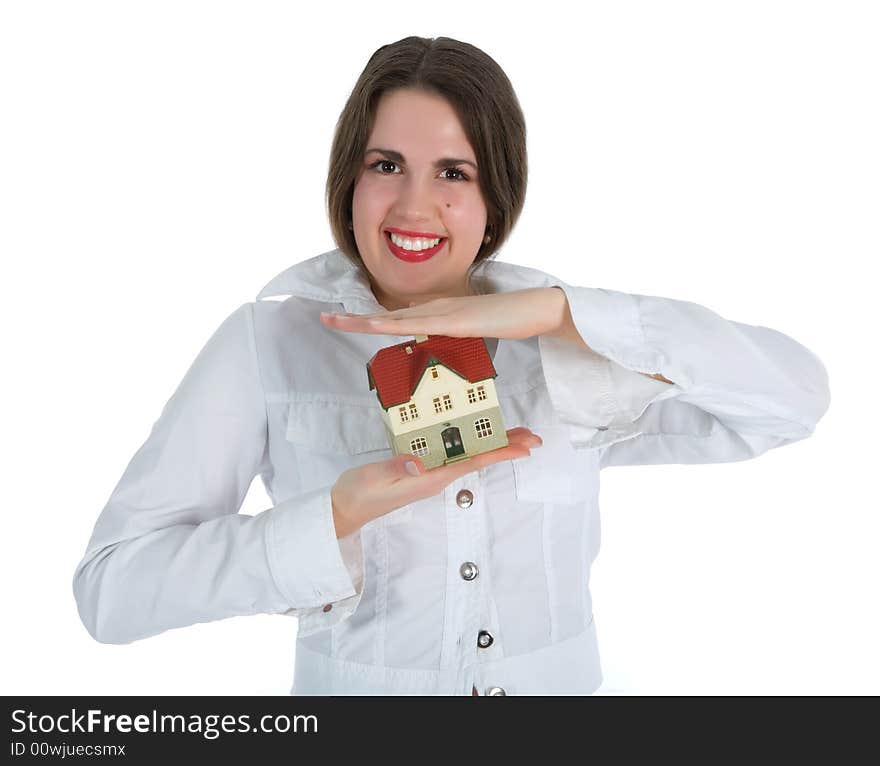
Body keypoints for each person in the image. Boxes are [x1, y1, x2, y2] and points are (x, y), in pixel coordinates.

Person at [72, 36, 831, 696]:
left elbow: (794, 399)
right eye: (387, 163)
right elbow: (112, 590)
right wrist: (336, 514)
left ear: (495, 199)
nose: (413, 204)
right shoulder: (265, 342)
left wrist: (560, 313)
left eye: (454, 173)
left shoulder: (568, 343)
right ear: (350, 179)